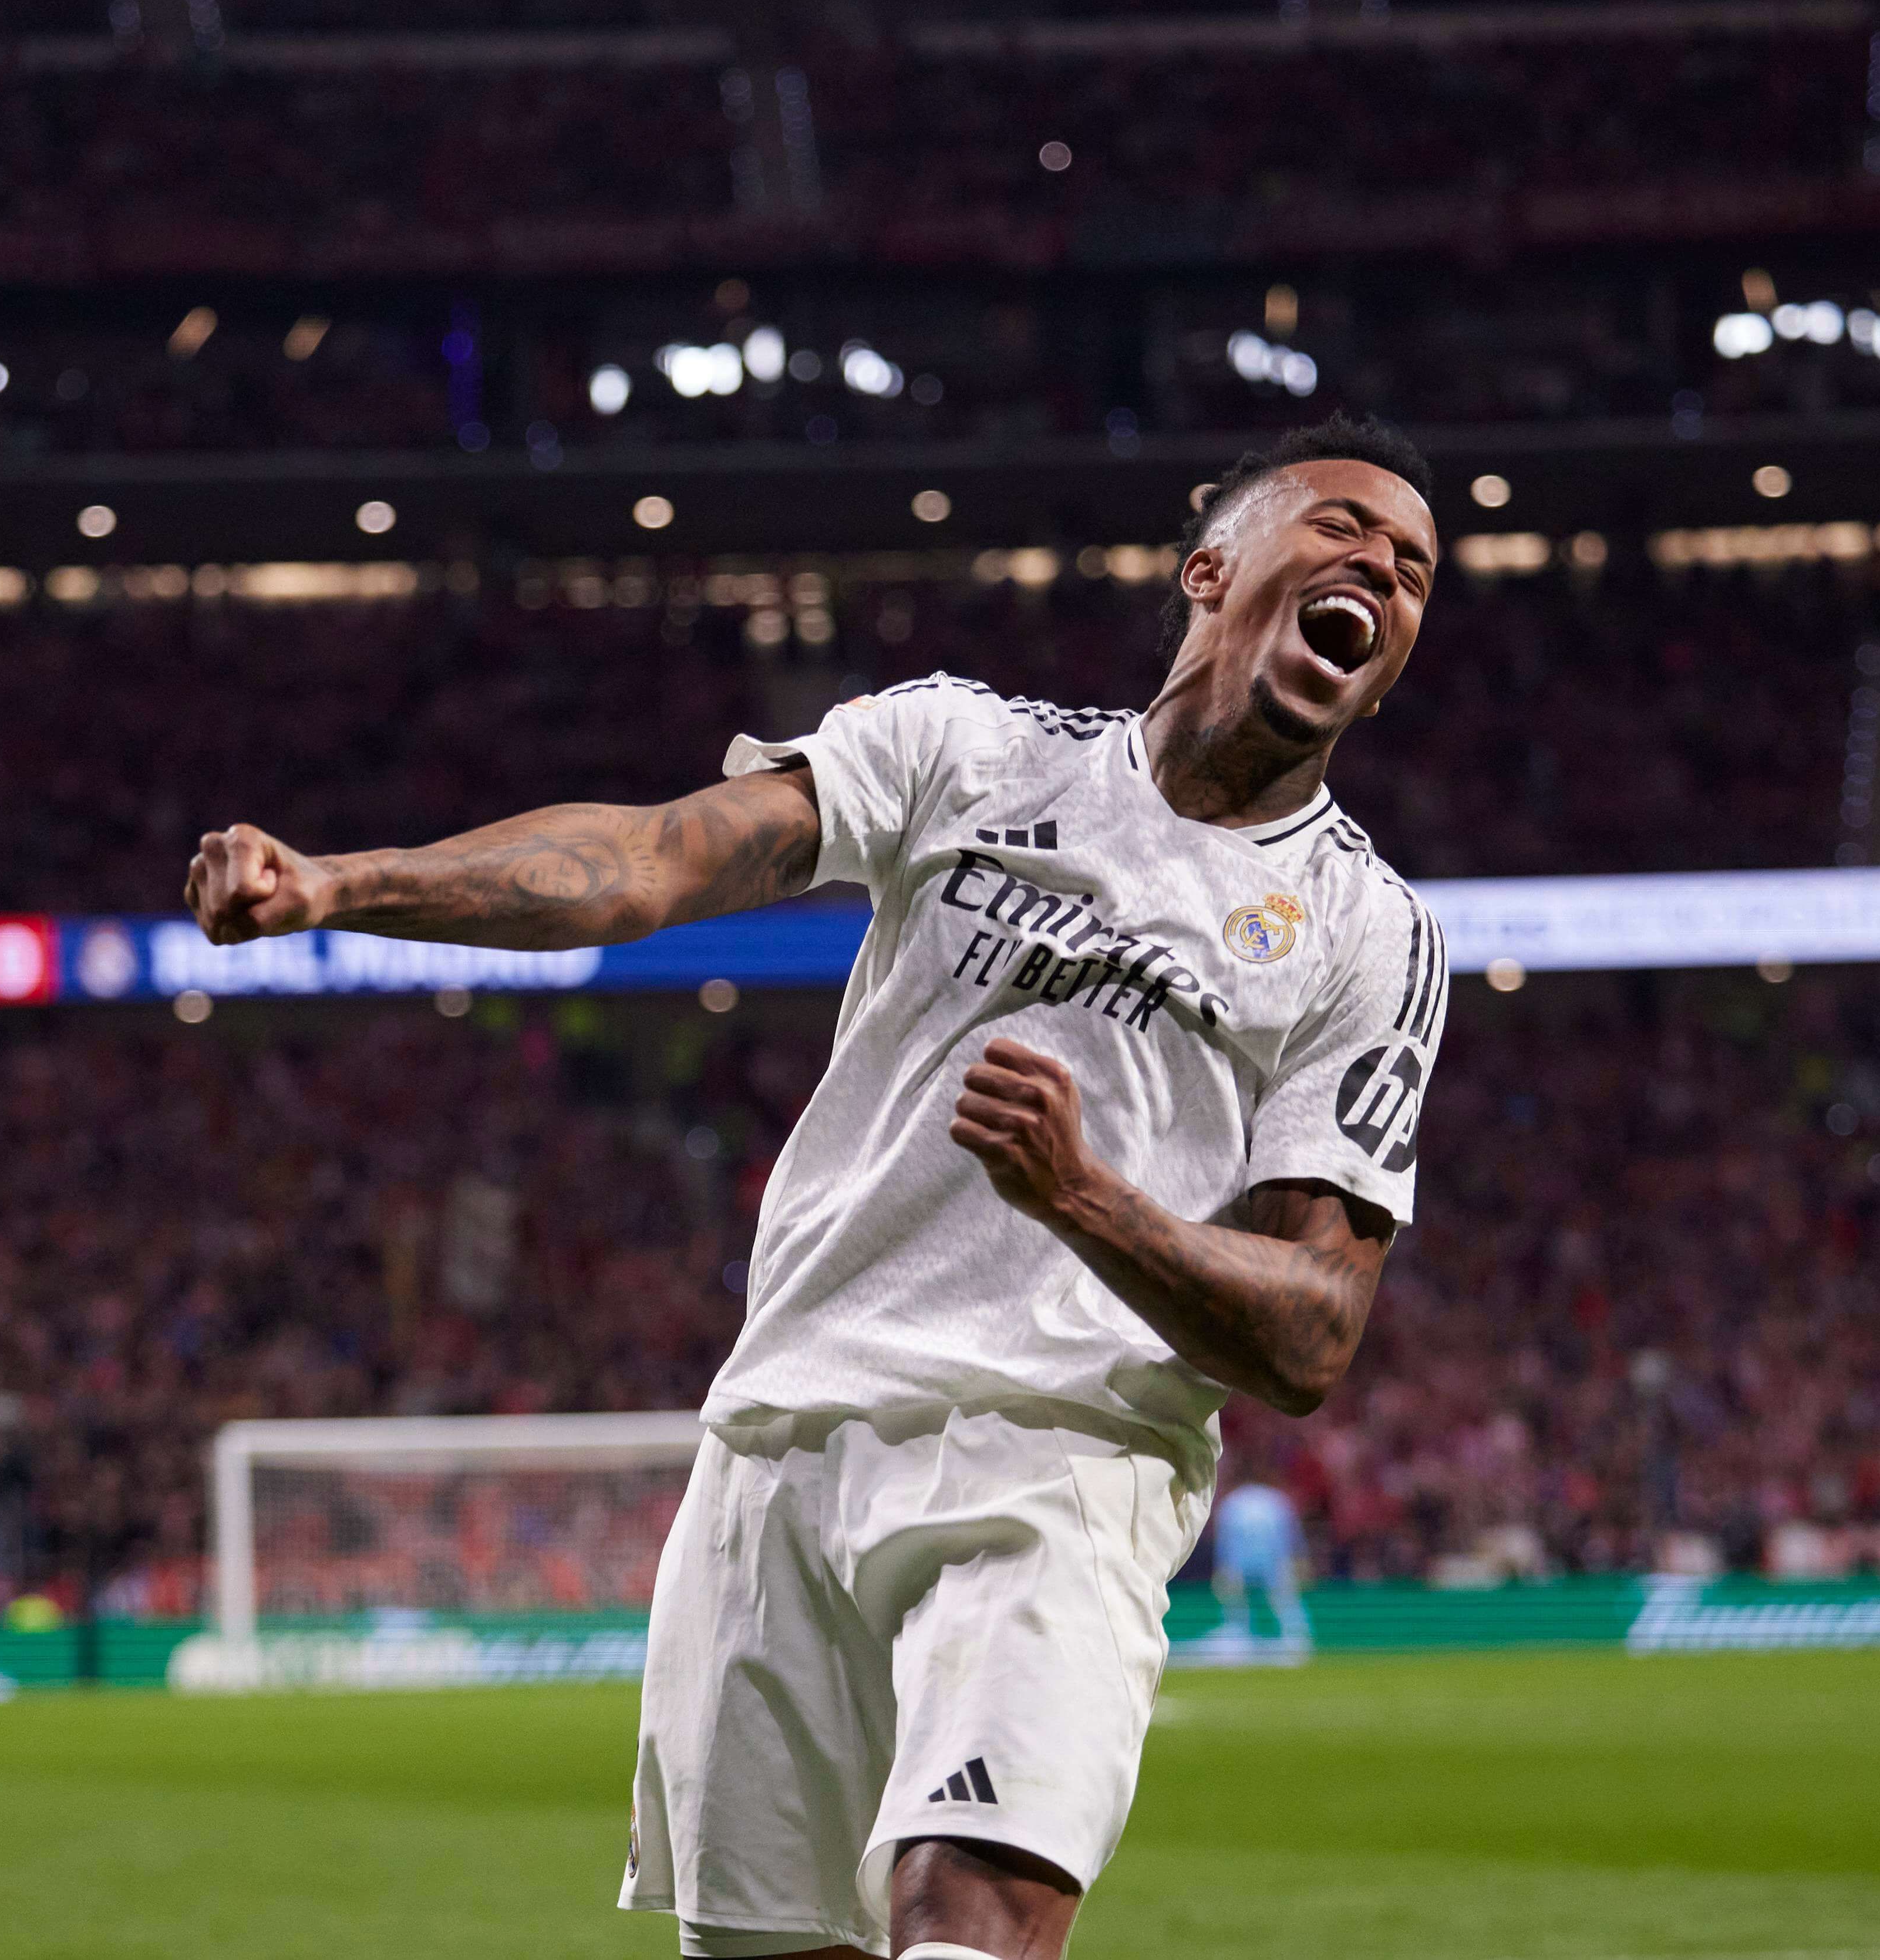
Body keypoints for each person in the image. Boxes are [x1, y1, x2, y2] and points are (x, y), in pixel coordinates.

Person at [186, 415, 1450, 1960]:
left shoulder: (1366, 930)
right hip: (781, 1438)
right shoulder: (964, 750)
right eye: (1343, 531)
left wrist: (1084, 1197)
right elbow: (653, 859)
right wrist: (341, 884)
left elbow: (1314, 1329)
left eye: (1411, 575)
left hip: (1060, 1456)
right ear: (1210, 569)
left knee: (967, 1915)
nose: (1380, 574)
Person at [1202, 1472, 1311, 1664]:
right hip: (1273, 1559)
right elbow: (1292, 1535)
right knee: (1283, 1601)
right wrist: (1299, 1560)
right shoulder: (1277, 1500)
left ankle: (1240, 1640)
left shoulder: (1233, 1502)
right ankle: (1296, 1641)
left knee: (1239, 1605)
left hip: (1245, 1561)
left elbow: (1225, 1541)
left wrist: (1223, 1568)